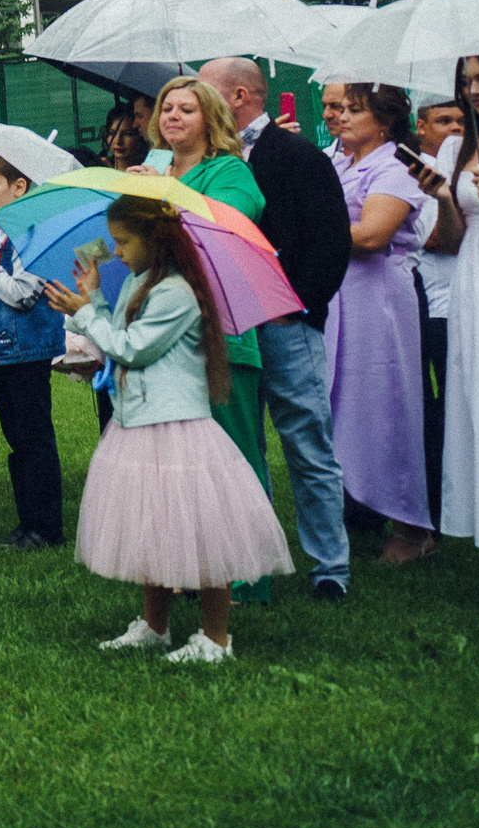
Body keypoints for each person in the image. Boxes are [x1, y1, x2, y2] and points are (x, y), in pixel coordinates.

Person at [47, 194, 294, 663]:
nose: (115, 251)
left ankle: (216, 637)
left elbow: (132, 348)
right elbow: (116, 338)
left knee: (200, 530)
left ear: (154, 241)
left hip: (177, 426)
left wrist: (83, 312)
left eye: (123, 242)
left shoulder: (176, 293)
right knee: (153, 527)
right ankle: (155, 625)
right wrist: (95, 296)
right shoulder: (140, 284)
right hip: (139, 422)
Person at [197, 56, 355, 600]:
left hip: (285, 321)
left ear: (239, 97)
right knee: (240, 445)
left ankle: (330, 567)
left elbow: (331, 241)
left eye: (204, 92)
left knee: (306, 441)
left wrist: (300, 305)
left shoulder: (296, 155)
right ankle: (250, 564)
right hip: (226, 325)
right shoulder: (202, 162)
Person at [131, 73, 274, 598]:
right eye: (167, 108)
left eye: (186, 110)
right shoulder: (154, 171)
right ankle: (194, 565)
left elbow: (231, 222)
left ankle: (247, 573)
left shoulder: (229, 170)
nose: (172, 117)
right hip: (167, 330)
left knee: (233, 453)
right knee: (182, 460)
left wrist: (161, 194)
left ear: (210, 120)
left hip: (220, 329)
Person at [321, 82, 433, 561]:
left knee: (385, 404)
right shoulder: (337, 161)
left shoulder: (394, 165)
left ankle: (411, 528)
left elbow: (371, 235)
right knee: (340, 401)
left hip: (378, 296)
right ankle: (356, 502)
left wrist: (312, 228)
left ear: (384, 122)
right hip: (337, 293)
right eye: (340, 109)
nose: (342, 117)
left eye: (355, 110)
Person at [0, 151, 67, 549]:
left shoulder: (32, 231)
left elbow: (23, 294)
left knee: (34, 438)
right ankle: (27, 523)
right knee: (17, 438)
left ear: (19, 187)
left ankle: (46, 527)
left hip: (27, 350)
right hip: (2, 350)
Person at [425, 53, 479, 548]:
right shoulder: (458, 147)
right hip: (472, 276)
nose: (475, 90)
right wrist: (444, 200)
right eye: (468, 81)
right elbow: (449, 240)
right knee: (476, 391)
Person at [413, 97, 467, 530]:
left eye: (460, 122)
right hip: (424, 300)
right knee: (430, 408)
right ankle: (434, 504)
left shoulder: (469, 167)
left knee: (461, 403)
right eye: (443, 121)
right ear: (421, 126)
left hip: (459, 302)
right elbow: (431, 239)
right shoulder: (413, 172)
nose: (453, 129)